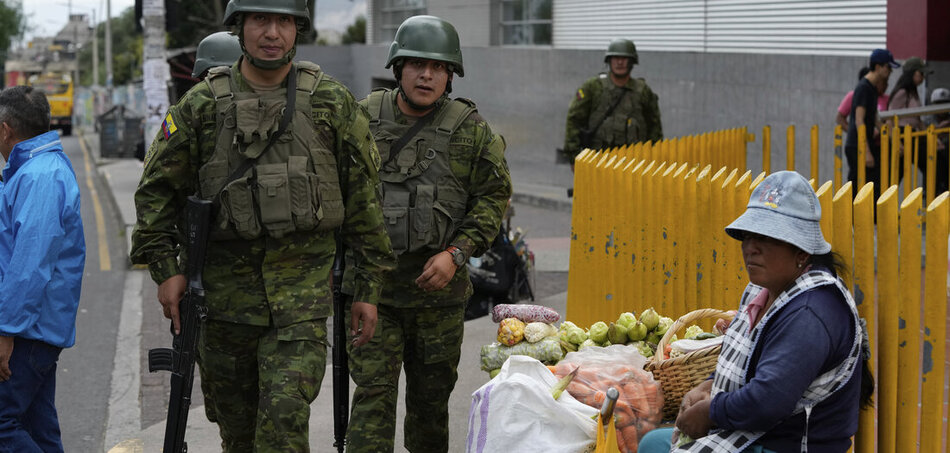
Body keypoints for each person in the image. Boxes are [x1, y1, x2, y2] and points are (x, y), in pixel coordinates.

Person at [129, 0, 396, 450]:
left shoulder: (332, 102)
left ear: (298, 30)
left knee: (283, 423)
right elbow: (155, 192)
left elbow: (364, 201)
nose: (272, 33)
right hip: (223, 308)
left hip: (302, 307)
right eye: (260, 20)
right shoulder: (199, 107)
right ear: (239, 27)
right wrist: (166, 269)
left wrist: (367, 289)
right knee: (237, 435)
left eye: (284, 22)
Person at [345, 15, 512, 453]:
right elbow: (335, 192)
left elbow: (494, 199)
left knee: (430, 407)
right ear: (398, 67)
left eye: (438, 67)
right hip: (372, 294)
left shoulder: (471, 130)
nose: (427, 74)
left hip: (438, 296)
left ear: (451, 75)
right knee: (371, 403)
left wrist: (458, 253)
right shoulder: (363, 118)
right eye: (417, 64)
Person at [638, 171, 873, 453]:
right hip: (753, 434)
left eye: (767, 237)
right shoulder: (763, 290)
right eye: (747, 236)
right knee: (653, 443)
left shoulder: (810, 313)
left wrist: (711, 412)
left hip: (785, 445)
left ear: (802, 252)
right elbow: (748, 364)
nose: (751, 248)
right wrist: (709, 386)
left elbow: (768, 400)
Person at [0, 86, 85, 452]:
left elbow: (29, 266)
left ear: (5, 130)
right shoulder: (34, 169)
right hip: (35, 328)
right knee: (37, 428)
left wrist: (5, 331)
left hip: (28, 331)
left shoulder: (40, 176)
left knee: (3, 425)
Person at [561, 38, 663, 166]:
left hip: (633, 164)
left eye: (624, 58)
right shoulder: (593, 87)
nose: (619, 62)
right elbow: (574, 120)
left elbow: (654, 128)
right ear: (609, 61)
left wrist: (653, 159)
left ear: (632, 62)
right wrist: (573, 157)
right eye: (615, 58)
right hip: (598, 163)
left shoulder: (643, 91)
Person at [845, 48, 899, 198]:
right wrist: (866, 151)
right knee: (857, 186)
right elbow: (859, 119)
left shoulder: (872, 88)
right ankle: (850, 219)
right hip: (857, 146)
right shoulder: (863, 88)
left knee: (872, 183)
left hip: (864, 144)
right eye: (888, 67)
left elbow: (874, 118)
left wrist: (893, 139)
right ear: (878, 67)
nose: (890, 72)